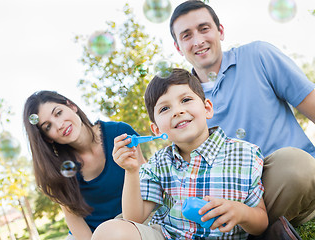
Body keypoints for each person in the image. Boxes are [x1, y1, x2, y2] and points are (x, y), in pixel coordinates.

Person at [169, 0, 315, 226]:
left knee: (296, 165)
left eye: (204, 28)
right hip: (241, 201)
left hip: (297, 180)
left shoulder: (258, 55)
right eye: (186, 35)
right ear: (178, 47)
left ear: (220, 31)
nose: (198, 41)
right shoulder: (183, 102)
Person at [92, 68, 268, 240]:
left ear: (207, 108)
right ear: (156, 129)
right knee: (108, 232)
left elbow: (261, 222)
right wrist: (131, 172)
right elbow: (134, 219)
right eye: (164, 109)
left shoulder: (245, 154)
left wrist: (241, 212)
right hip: (168, 236)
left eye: (186, 99)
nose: (177, 111)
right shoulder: (158, 163)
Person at [23, 90, 142, 240]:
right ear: (48, 139)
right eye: (48, 127)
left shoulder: (120, 134)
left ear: (72, 106)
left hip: (130, 225)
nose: (59, 125)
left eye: (58, 113)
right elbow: (75, 221)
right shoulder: (57, 169)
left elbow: (147, 184)